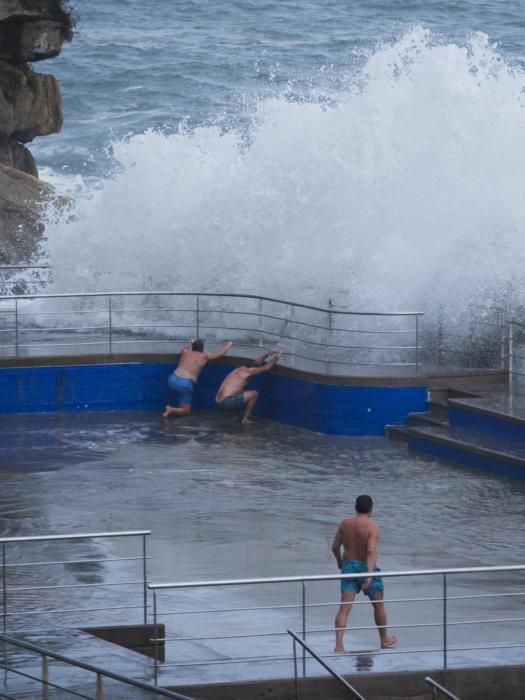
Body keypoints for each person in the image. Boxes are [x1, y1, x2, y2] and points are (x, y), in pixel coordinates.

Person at [332, 494, 398, 652]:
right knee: (378, 605)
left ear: (356, 507)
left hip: (348, 567)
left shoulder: (345, 524)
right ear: (371, 509)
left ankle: (339, 644)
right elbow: (370, 551)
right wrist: (369, 574)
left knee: (344, 608)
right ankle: (384, 639)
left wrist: (340, 562)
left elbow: (335, 547)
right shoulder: (372, 527)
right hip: (367, 567)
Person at [162, 338, 233, 418]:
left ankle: (175, 406)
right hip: (184, 384)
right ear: (202, 348)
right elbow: (221, 353)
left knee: (181, 395)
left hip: (172, 379)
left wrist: (190, 343)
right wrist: (228, 345)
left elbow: (183, 349)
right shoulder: (204, 356)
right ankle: (170, 409)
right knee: (186, 411)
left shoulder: (186, 352)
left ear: (193, 346)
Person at [215, 350, 283, 424]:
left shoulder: (240, 369)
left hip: (218, 401)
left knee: (240, 391)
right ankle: (245, 419)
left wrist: (268, 354)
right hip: (226, 402)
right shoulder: (249, 371)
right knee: (254, 394)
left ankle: (237, 416)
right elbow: (267, 367)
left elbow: (255, 363)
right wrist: (278, 356)